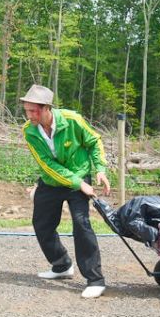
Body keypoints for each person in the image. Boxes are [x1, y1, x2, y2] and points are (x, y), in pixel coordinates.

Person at [20, 84, 111, 298]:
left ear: (46, 109)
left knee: (81, 223)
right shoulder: (29, 131)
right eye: (26, 110)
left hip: (79, 175)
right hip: (52, 181)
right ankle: (61, 265)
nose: (29, 115)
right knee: (41, 224)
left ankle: (95, 279)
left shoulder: (72, 120)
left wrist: (100, 169)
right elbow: (47, 165)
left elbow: (94, 141)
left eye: (33, 111)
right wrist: (79, 184)